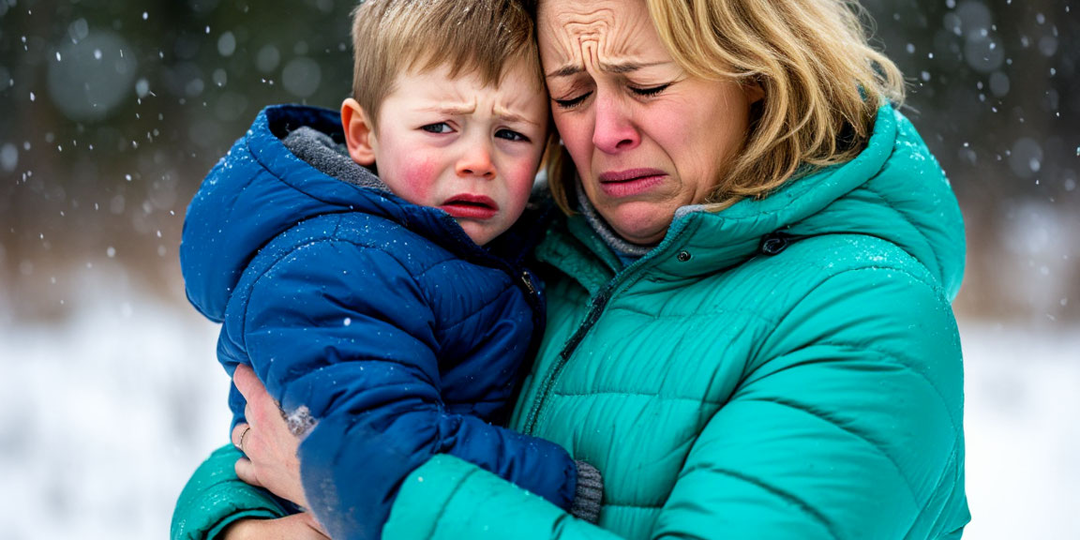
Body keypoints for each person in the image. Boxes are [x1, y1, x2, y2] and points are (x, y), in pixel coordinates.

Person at [174, 0, 972, 538]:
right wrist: (236, 523)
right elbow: (284, 429)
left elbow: (337, 452)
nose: (606, 130)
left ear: (754, 72)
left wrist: (363, 492)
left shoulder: (866, 315)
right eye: (573, 91)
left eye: (645, 84)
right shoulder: (533, 252)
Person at [172, 0, 608, 538]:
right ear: (363, 135)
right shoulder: (336, 266)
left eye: (511, 134)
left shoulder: (481, 249)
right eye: (441, 126)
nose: (479, 160)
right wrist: (561, 487)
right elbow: (382, 449)